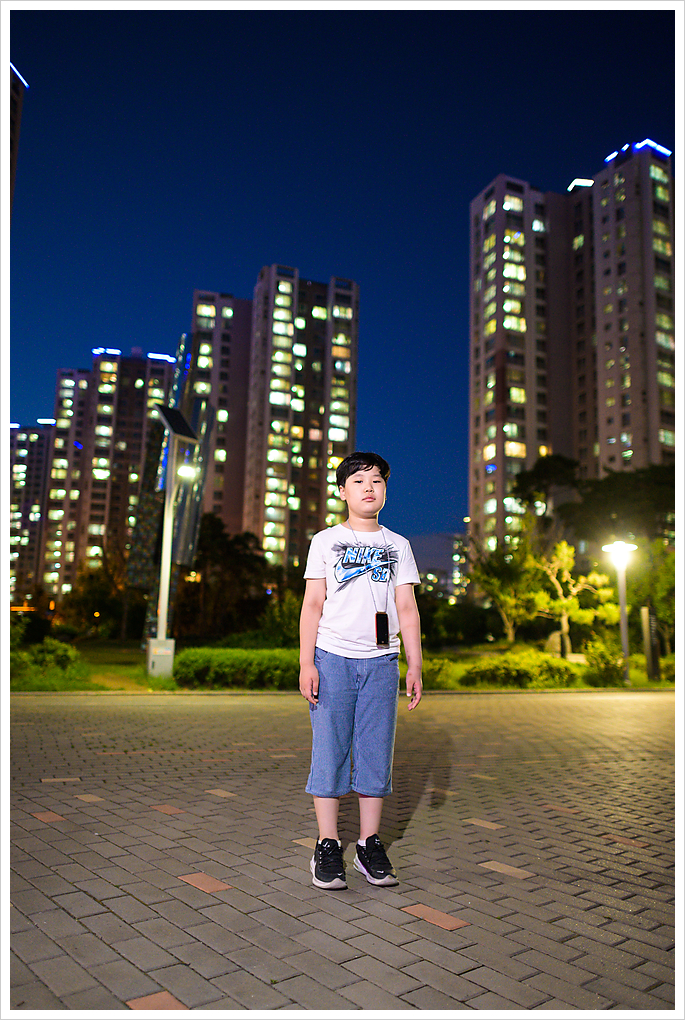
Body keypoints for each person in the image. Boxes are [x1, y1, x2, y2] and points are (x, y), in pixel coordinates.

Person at [299, 451, 423, 890]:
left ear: (385, 490)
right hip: (332, 658)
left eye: (377, 481)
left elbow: (406, 608)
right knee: (330, 750)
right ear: (342, 491)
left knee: (375, 752)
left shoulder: (399, 545)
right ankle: (327, 844)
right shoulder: (324, 541)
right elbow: (312, 604)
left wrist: (414, 663)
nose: (369, 488)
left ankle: (369, 845)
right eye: (358, 481)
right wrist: (306, 662)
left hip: (382, 661)